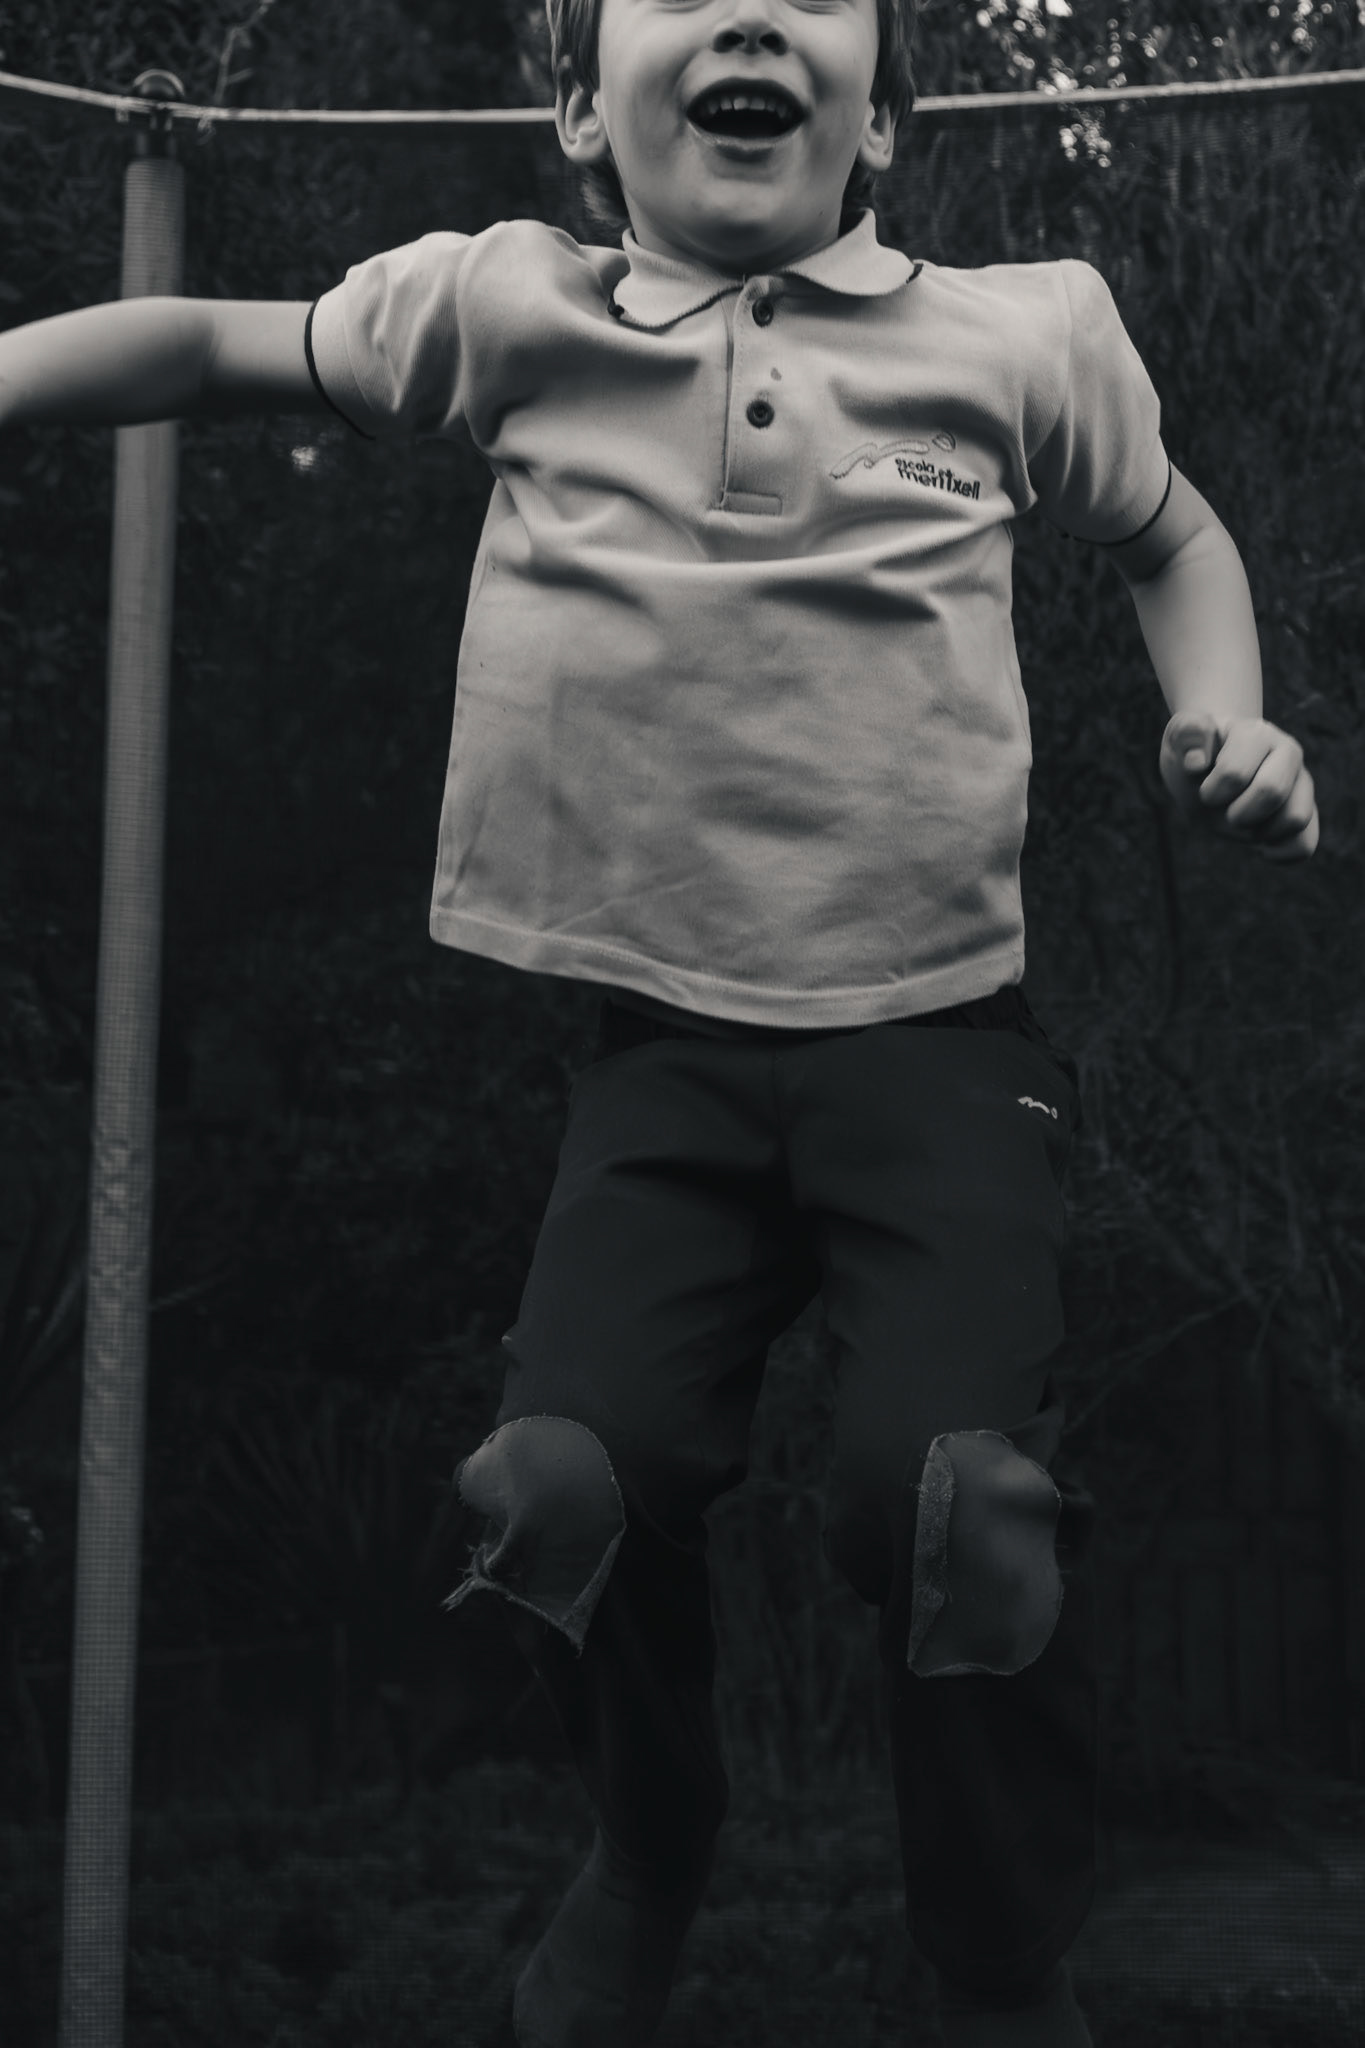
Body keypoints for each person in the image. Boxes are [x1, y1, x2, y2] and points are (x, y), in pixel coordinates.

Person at [0, 1, 1320, 2042]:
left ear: (884, 118)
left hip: (938, 1049)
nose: (747, 17)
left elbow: (1171, 532)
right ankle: (651, 1833)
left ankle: (993, 1954)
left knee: (956, 1500)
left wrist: (1222, 713)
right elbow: (195, 343)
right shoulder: (504, 311)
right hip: (663, 1065)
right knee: (553, 1484)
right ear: (573, 108)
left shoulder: (1015, 335)